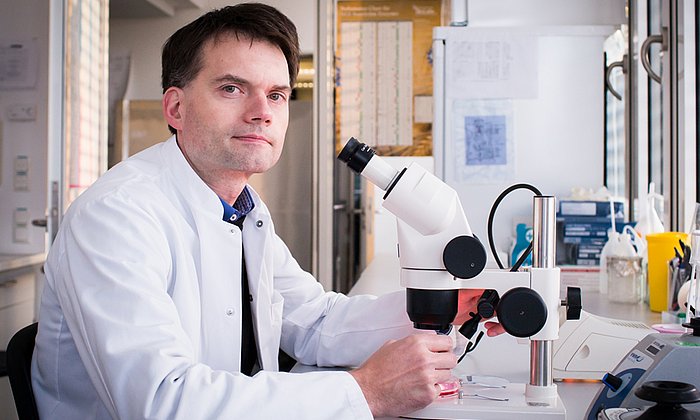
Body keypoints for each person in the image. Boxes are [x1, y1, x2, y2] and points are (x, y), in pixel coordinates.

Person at [32, 3, 502, 419]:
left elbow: (315, 323)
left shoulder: (242, 208)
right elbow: (161, 402)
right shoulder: (117, 216)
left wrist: (442, 308)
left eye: (277, 94)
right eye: (233, 88)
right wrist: (366, 392)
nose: (263, 111)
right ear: (175, 107)